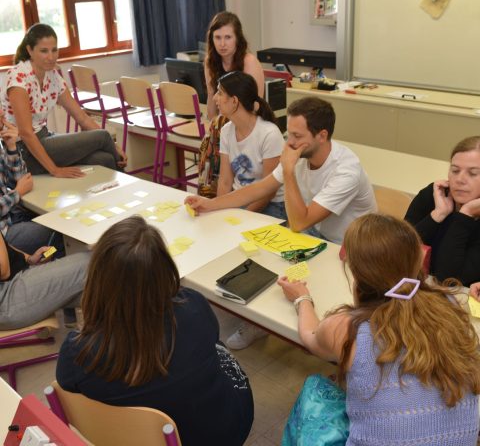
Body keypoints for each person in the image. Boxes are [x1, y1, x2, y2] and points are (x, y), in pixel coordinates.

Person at [186, 96, 376, 350]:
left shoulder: (345, 169)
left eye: (297, 136)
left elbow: (299, 222)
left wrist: (287, 170)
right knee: (265, 261)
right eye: (289, 134)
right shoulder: (300, 153)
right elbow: (258, 189)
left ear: (322, 135)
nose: (290, 143)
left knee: (311, 285)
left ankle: (315, 330)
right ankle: (260, 322)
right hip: (315, 234)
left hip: (349, 248)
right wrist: (210, 204)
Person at [279, 214, 480, 446]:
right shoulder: (451, 305)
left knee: (316, 386)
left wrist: (302, 298)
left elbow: (310, 337)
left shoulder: (347, 329)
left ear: (354, 271)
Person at [56, 216, 254, 446]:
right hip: (223, 434)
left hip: (131, 440)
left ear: (98, 277)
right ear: (164, 268)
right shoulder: (194, 306)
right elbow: (209, 339)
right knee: (216, 348)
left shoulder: (78, 351)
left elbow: (67, 386)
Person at [0, 23, 127, 178]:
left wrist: (114, 147)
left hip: (44, 138)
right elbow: (26, 133)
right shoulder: (18, 78)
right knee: (103, 136)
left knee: (104, 159)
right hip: (23, 151)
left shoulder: (52, 75)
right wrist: (55, 170)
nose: (51, 57)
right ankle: (130, 186)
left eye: (54, 50)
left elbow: (82, 118)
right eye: (44, 51)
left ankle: (111, 190)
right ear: (30, 50)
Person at [405, 136, 480, 287]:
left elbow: (449, 279)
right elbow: (397, 250)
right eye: (455, 170)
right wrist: (437, 214)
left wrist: (465, 215)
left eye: (473, 173)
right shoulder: (435, 194)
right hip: (417, 287)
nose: (459, 179)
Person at [215, 71, 285, 218]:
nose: (215, 98)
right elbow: (225, 181)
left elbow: (268, 192)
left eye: (220, 93)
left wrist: (243, 216)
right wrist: (218, 211)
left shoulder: (269, 134)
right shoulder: (227, 130)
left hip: (271, 204)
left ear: (234, 101)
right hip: (240, 199)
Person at [0, 110, 64, 256]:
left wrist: (11, 147)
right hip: (4, 234)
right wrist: (17, 193)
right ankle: (47, 262)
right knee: (62, 234)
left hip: (12, 216)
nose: (2, 112)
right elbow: (20, 187)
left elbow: (22, 179)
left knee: (60, 219)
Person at [0, 232, 89, 330]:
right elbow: (4, 272)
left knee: (91, 288)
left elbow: (6, 245)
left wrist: (28, 259)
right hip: (6, 297)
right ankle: (79, 334)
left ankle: (85, 335)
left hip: (15, 278)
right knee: (89, 263)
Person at [205, 11, 264, 120]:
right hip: (224, 123)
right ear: (211, 39)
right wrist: (213, 125)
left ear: (237, 38)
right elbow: (211, 96)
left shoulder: (249, 62)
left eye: (228, 37)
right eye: (217, 37)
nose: (222, 44)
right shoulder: (210, 61)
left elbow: (255, 107)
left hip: (249, 123)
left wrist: (228, 127)